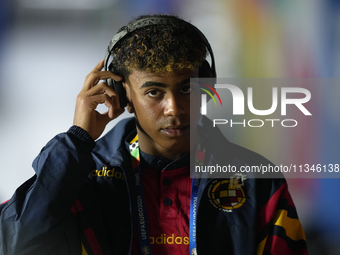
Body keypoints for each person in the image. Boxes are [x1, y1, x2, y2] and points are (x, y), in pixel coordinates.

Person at [0, 14, 307, 255]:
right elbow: (17, 244)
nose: (174, 108)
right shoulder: (81, 177)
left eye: (187, 88)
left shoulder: (257, 182)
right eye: (154, 92)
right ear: (122, 95)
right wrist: (78, 138)